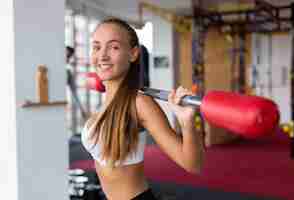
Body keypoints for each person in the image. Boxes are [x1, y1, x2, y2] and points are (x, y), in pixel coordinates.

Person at [81, 17, 205, 200]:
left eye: (113, 47)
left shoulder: (139, 103)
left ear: (133, 54)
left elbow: (193, 164)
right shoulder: (108, 99)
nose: (102, 55)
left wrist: (186, 122)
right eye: (97, 47)